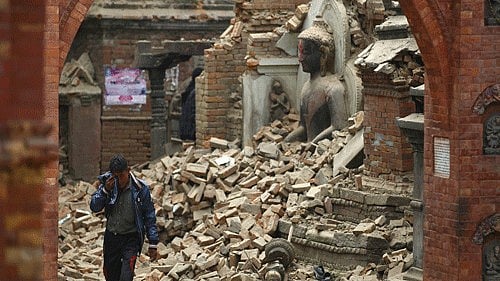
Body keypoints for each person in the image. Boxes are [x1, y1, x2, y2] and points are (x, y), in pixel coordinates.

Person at [90, 154, 159, 281]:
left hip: (130, 239)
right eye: (115, 176)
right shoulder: (108, 185)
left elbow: (149, 216)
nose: (119, 180)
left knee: (126, 276)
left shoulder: (140, 189)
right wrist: (105, 190)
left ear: (128, 170)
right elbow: (94, 207)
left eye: (121, 175)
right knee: (111, 275)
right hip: (112, 238)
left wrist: (153, 243)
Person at [284, 16, 348, 144]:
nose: (301, 58)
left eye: (306, 52)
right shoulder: (306, 88)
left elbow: (339, 126)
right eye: (299, 52)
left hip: (325, 150)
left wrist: (312, 145)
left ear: (323, 54)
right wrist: (286, 141)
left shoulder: (334, 88)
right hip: (308, 154)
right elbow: (303, 127)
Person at [180, 67, 203, 141]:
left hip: (184, 129)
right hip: (191, 131)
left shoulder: (189, 88)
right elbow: (193, 114)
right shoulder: (195, 93)